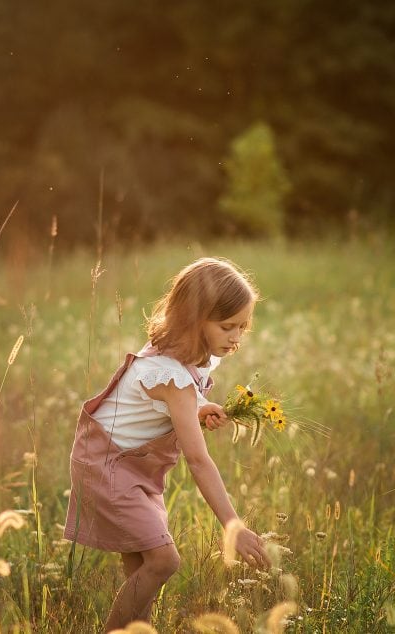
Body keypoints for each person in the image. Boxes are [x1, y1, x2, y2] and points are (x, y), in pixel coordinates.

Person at [64, 257, 271, 631]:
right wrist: (232, 525)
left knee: (142, 570)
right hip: (108, 469)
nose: (237, 337)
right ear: (194, 320)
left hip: (135, 465)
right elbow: (197, 459)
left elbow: (166, 406)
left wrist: (200, 407)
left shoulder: (190, 359)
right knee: (163, 561)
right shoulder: (168, 374)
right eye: (227, 327)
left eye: (243, 326)